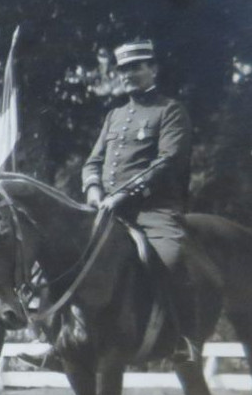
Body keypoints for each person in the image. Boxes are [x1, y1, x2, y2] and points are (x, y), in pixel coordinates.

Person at [82, 39, 197, 361]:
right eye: (123, 69)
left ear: (153, 69)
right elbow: (93, 162)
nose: (129, 74)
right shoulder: (115, 116)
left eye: (136, 67)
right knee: (68, 255)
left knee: (169, 259)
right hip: (106, 210)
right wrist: (93, 190)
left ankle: (181, 338)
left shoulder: (170, 110)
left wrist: (122, 196)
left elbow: (167, 161)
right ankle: (59, 340)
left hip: (153, 209)